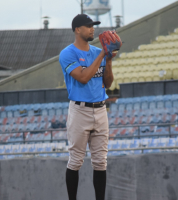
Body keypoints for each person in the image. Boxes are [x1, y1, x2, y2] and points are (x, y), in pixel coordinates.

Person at [58, 14, 116, 200]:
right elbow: (83, 77)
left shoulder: (98, 52)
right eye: (88, 26)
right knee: (76, 161)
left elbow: (108, 83)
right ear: (77, 30)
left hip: (100, 109)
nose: (92, 29)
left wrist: (108, 60)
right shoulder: (68, 53)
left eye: (93, 25)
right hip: (80, 110)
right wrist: (102, 55)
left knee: (100, 162)